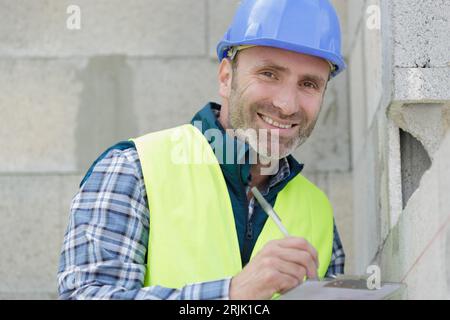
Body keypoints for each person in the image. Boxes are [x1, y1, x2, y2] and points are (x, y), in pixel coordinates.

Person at [57, 0, 346, 300]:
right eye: (269, 74)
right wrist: (231, 295)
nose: (287, 104)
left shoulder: (318, 212)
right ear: (226, 77)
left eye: (309, 84)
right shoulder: (135, 169)